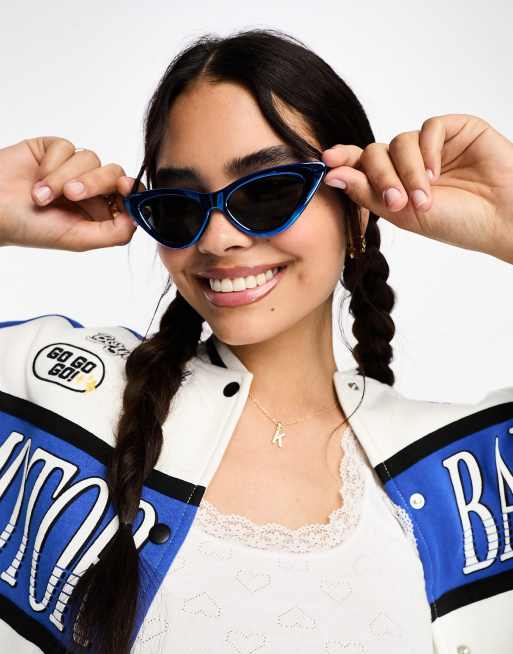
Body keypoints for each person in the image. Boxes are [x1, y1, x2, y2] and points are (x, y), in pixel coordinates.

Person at [0, 27, 512, 654]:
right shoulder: (53, 396)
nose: (217, 239)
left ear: (356, 205)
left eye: (268, 192)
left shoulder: (468, 468)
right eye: (180, 205)